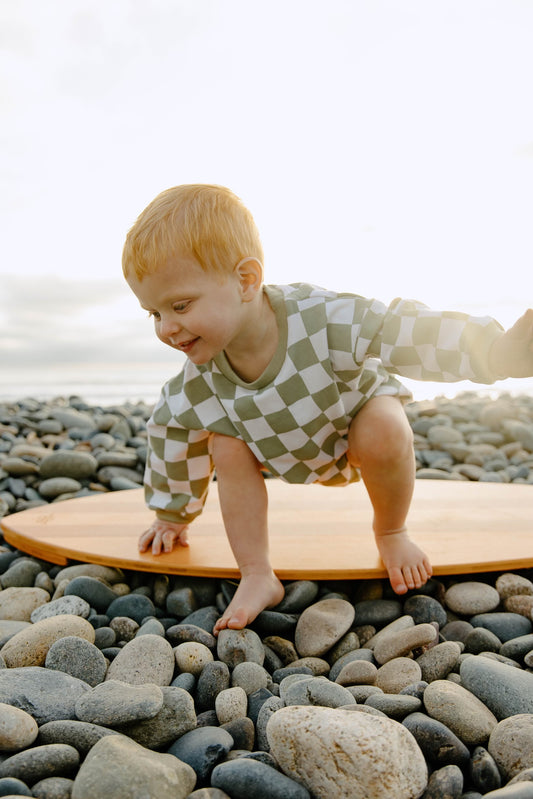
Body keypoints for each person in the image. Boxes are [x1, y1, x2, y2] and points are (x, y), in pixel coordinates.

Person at [122, 183, 533, 635]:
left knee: (384, 423)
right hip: (278, 453)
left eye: (179, 305)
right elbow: (170, 433)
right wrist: (171, 514)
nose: (167, 328)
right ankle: (257, 573)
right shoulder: (198, 379)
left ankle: (391, 532)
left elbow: (403, 331)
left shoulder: (321, 318)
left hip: (351, 434)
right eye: (154, 313)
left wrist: (493, 353)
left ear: (246, 280)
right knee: (225, 443)